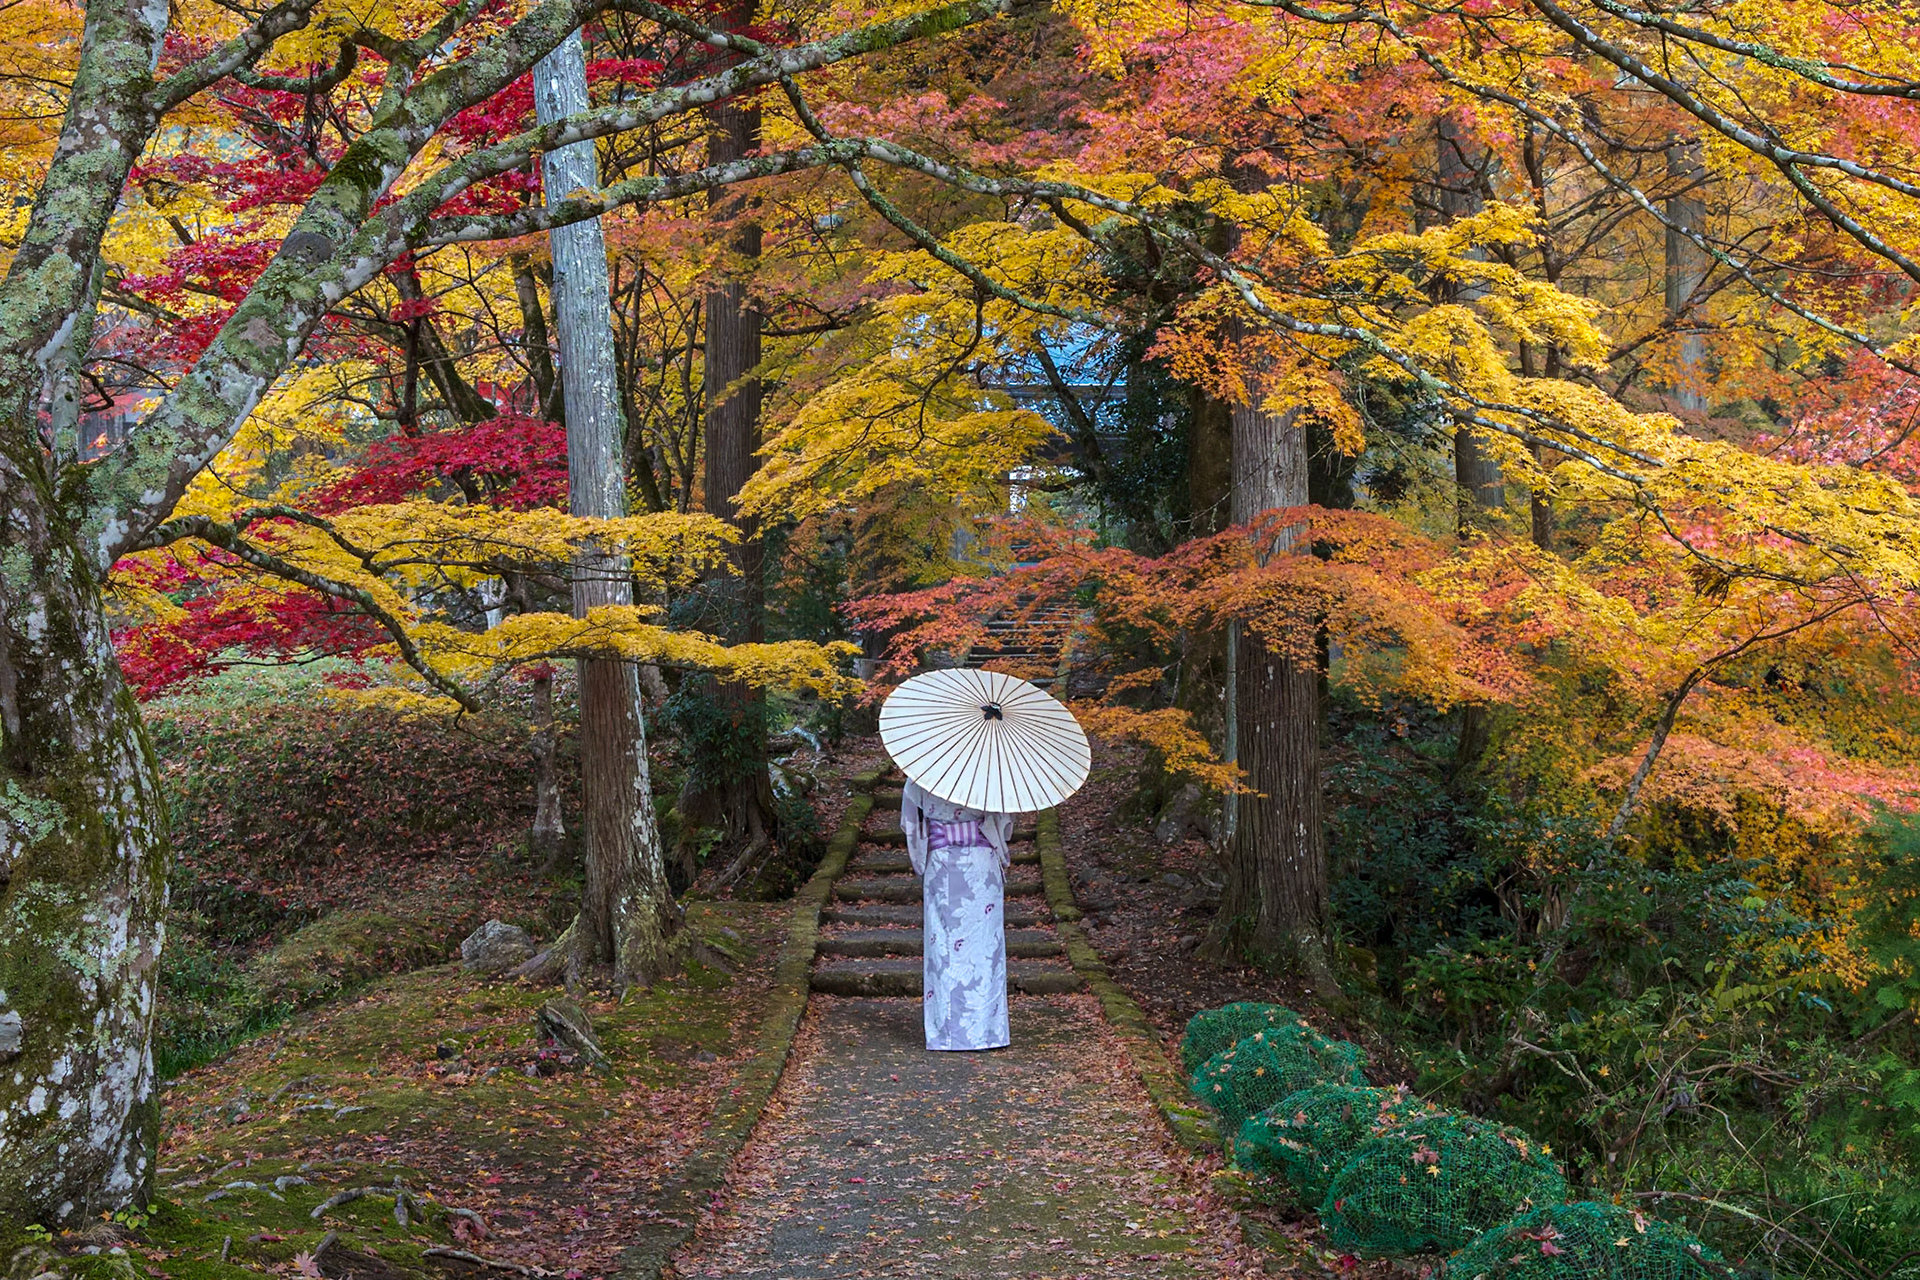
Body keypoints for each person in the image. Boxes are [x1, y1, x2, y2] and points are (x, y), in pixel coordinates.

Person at [900, 778, 1015, 1051]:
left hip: (942, 862)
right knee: (985, 946)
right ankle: (988, 1032)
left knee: (942, 944)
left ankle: (945, 1033)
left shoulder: (922, 771)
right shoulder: (990, 771)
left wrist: (920, 857)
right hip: (981, 864)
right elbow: (1005, 825)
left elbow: (910, 825)